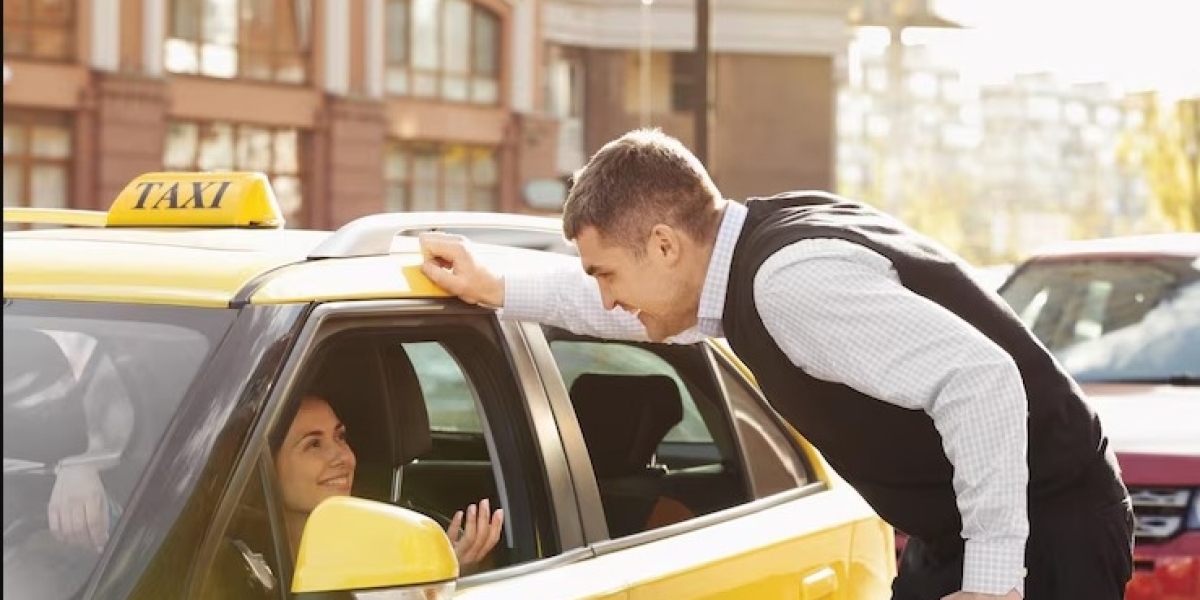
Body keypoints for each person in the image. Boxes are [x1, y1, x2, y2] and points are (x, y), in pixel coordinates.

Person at [418, 128, 1134, 600]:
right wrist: (500, 288)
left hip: (1048, 537)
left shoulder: (789, 285)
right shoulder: (755, 247)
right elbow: (628, 304)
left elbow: (981, 381)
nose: (609, 297)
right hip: (977, 531)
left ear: (666, 245)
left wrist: (993, 584)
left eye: (607, 273)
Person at [274, 394, 504, 572]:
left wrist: (441, 583)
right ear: (266, 462)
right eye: (313, 444)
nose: (344, 457)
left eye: (340, 437)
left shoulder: (393, 549)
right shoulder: (243, 561)